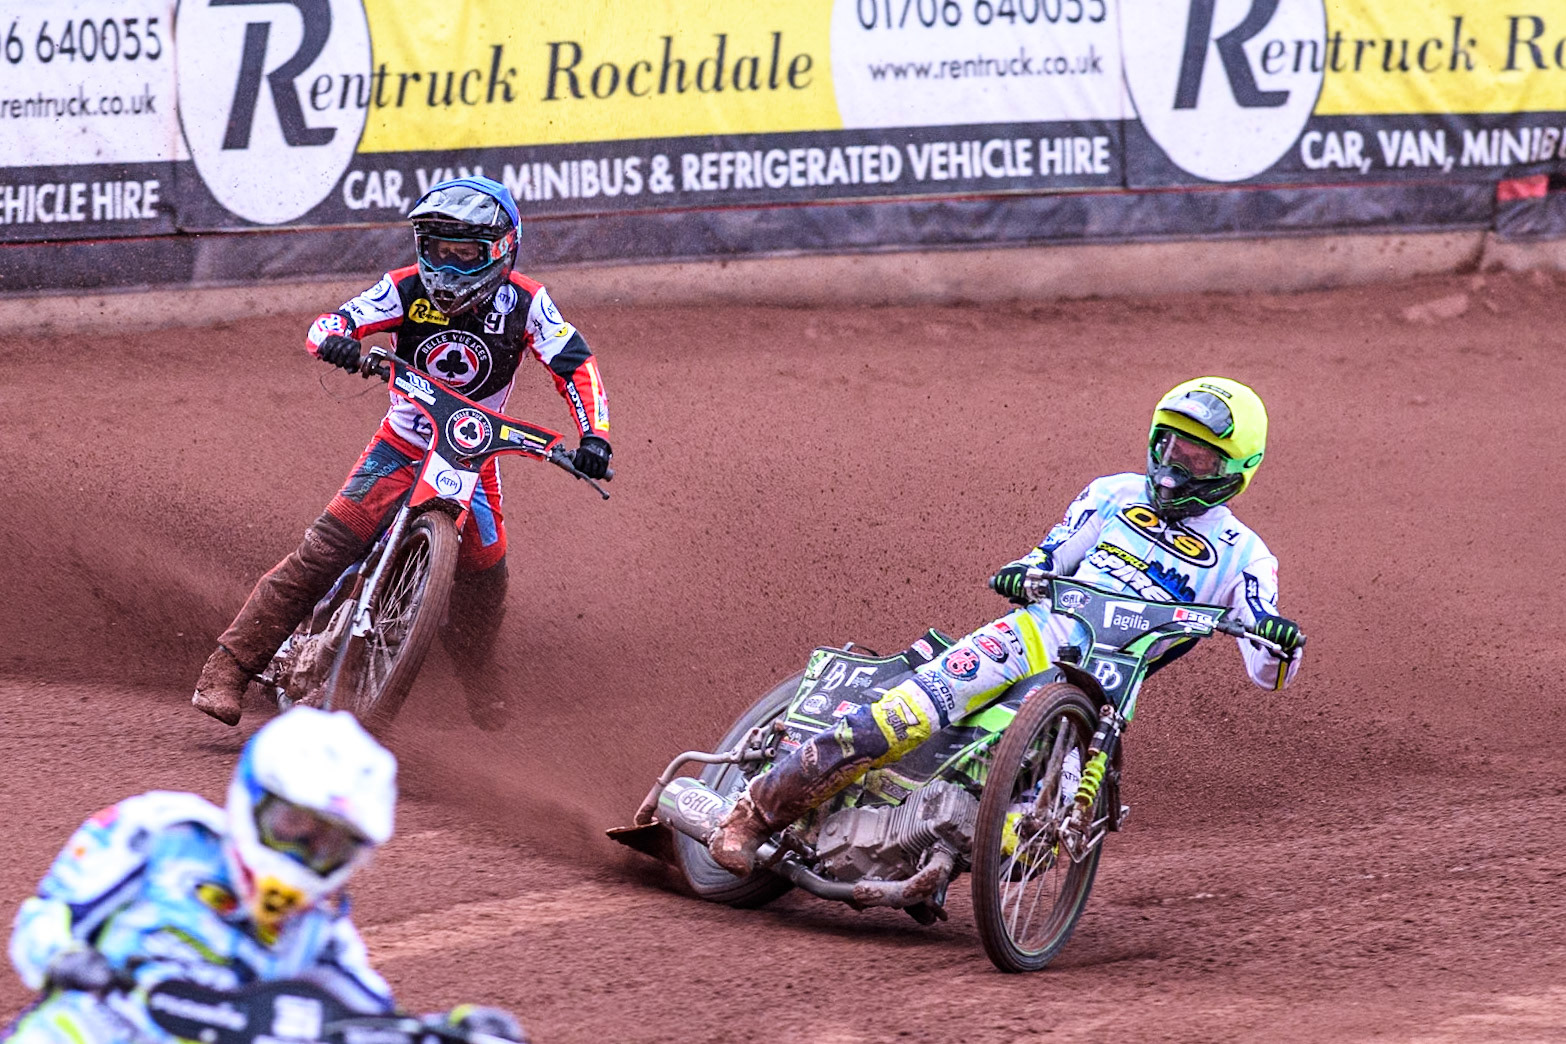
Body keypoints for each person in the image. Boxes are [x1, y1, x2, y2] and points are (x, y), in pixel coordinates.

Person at [710, 376, 1306, 875]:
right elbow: (1050, 554)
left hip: (1101, 690)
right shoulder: (1113, 494)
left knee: (1048, 825)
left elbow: (1267, 665)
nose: (1176, 461)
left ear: (1236, 468)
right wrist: (1022, 572)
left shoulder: (1244, 556)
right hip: (1032, 635)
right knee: (902, 715)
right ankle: (751, 816)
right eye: (1169, 442)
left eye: (1197, 455)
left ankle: (931, 855)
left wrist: (1278, 637)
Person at [192, 176, 611, 729]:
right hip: (401, 443)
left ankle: (478, 674)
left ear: (502, 250)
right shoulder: (404, 287)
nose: (450, 267)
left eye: (466, 254)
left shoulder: (528, 304)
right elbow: (330, 323)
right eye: (439, 251)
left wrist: (595, 437)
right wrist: (339, 339)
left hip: (472, 454)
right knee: (325, 550)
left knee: (488, 576)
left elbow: (574, 362)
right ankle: (229, 667)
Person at [4, 707, 518, 1043]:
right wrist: (66, 957)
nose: (303, 852)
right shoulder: (163, 833)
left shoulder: (321, 933)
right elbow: (46, 916)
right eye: (293, 825)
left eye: (328, 844)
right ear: (254, 797)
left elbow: (370, 1018)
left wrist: (447, 1031)